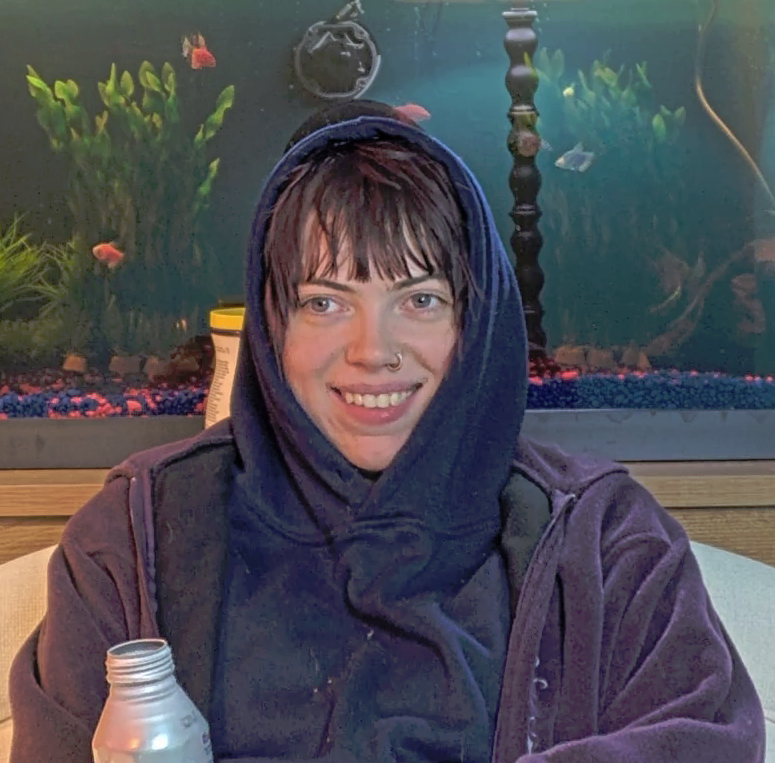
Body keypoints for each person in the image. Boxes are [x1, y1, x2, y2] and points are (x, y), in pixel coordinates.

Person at [9, 100, 765, 763]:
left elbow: (706, 738)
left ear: (475, 317)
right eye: (324, 302)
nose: (373, 351)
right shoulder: (132, 538)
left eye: (420, 299)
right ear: (270, 324)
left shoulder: (602, 539)